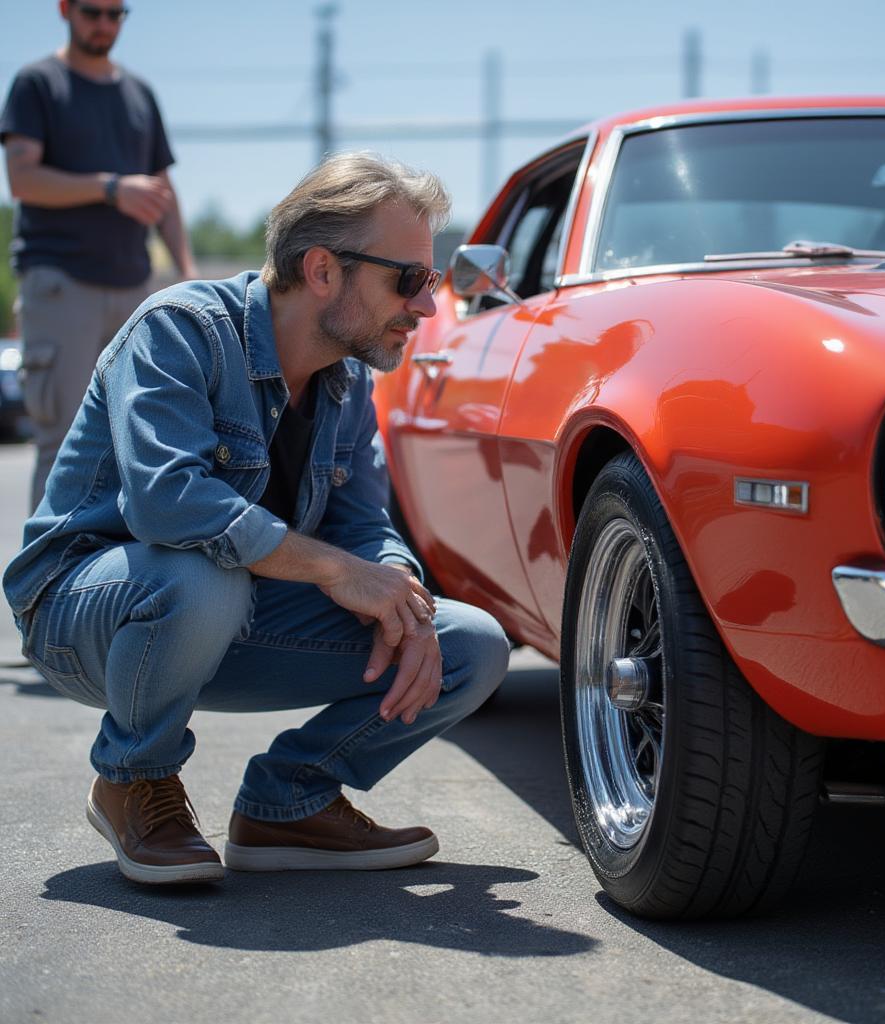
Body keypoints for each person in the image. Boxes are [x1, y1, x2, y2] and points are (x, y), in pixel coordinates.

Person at [2, 152, 510, 885]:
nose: (426, 306)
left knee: (471, 645)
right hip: (88, 615)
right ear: (323, 270)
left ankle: (288, 802)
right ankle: (132, 777)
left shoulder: (345, 384)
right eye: (408, 280)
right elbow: (167, 502)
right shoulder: (180, 330)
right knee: (200, 569)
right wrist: (336, 571)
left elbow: (364, 524)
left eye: (429, 282)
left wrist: (399, 591)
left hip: (223, 617)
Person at [0, 0, 196, 508]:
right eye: (94, 13)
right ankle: (46, 582)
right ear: (65, 8)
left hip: (133, 287)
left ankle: (105, 579)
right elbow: (22, 178)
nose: (105, 25)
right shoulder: (38, 83)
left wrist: (188, 275)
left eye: (116, 14)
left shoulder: (138, 93)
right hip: (62, 285)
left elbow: (163, 193)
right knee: (64, 444)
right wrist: (110, 189)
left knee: (134, 443)